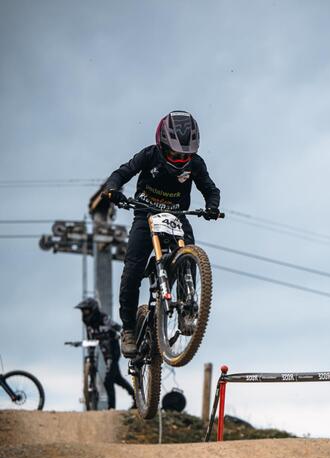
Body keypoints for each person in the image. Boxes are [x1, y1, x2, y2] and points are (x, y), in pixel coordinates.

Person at [102, 110, 221, 357]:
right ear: (162, 143)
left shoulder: (196, 164)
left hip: (178, 217)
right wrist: (113, 189)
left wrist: (212, 206)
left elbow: (210, 188)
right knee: (132, 270)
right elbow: (121, 173)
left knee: (189, 254)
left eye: (185, 155)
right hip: (145, 216)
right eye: (174, 153)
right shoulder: (149, 155)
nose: (179, 159)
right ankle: (129, 330)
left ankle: (187, 309)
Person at [75, 298, 136, 409]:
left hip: (113, 351)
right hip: (104, 352)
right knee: (117, 378)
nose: (84, 313)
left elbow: (118, 327)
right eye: (83, 311)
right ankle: (135, 398)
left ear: (93, 309)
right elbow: (91, 340)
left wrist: (122, 335)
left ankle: (111, 407)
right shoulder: (88, 325)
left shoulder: (103, 318)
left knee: (108, 381)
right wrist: (89, 353)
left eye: (86, 311)